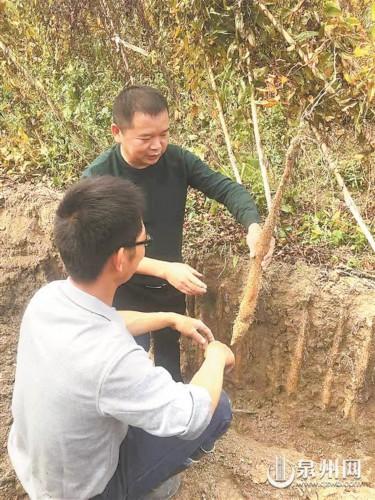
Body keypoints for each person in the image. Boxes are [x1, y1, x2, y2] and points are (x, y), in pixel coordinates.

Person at [8, 176, 235, 500]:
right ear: (120, 259)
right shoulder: (113, 360)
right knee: (219, 409)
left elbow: (108, 323)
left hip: (36, 465)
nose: (146, 248)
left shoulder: (48, 298)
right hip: (82, 491)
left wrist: (167, 319)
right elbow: (191, 414)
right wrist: (215, 356)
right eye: (144, 243)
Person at [83, 85, 274, 382]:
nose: (157, 146)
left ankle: (170, 419)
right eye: (146, 138)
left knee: (169, 364)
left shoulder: (177, 161)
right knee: (127, 366)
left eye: (164, 134)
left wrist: (253, 225)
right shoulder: (99, 178)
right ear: (117, 132)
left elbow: (227, 189)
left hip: (169, 288)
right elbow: (100, 249)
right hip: (121, 289)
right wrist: (164, 269)